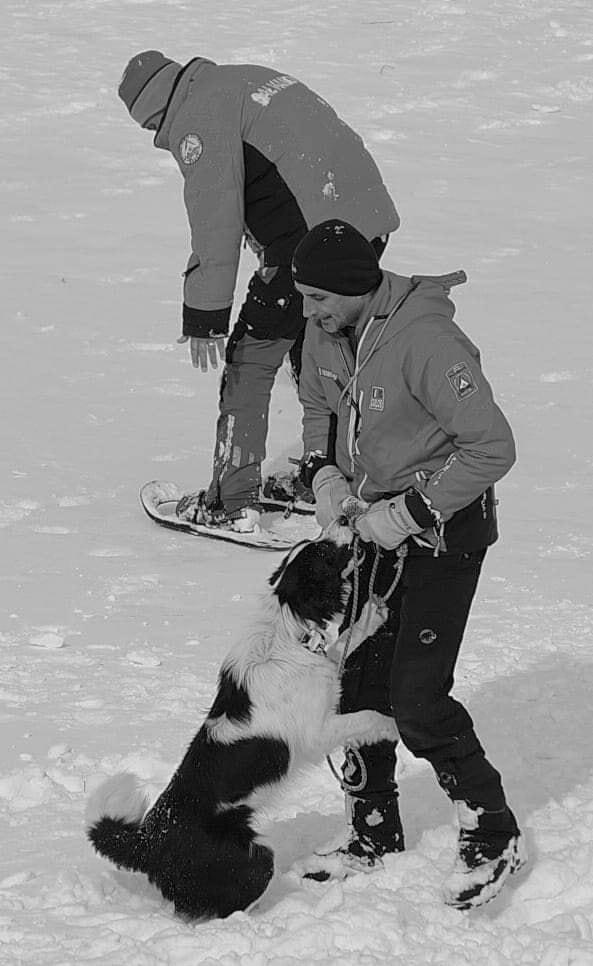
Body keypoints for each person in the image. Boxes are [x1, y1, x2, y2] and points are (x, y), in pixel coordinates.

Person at [292, 219, 527, 909]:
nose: (308, 311)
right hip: (367, 529)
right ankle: (373, 832)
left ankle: (492, 829)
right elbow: (317, 407)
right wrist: (324, 475)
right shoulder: (326, 329)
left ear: (355, 287)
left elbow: (492, 447)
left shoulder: (426, 340)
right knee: (356, 688)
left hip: (441, 537)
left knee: (417, 699)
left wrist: (409, 513)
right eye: (304, 297)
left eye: (318, 297)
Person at [117, 51, 399, 531]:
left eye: (150, 127)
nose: (157, 138)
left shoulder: (196, 119)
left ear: (156, 110)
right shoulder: (239, 80)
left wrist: (205, 315)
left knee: (250, 358)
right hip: (362, 227)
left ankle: (231, 502)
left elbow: (215, 219)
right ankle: (325, 478)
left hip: (312, 246)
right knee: (317, 353)